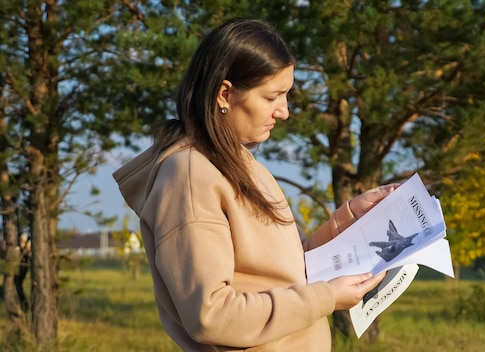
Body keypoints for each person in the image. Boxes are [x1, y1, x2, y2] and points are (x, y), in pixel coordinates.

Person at [113, 18, 397, 351]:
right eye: (272, 96)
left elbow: (283, 273)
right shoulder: (189, 176)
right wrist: (326, 298)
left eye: (287, 95)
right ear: (225, 93)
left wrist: (346, 219)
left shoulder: (245, 166)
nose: (285, 112)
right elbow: (212, 314)